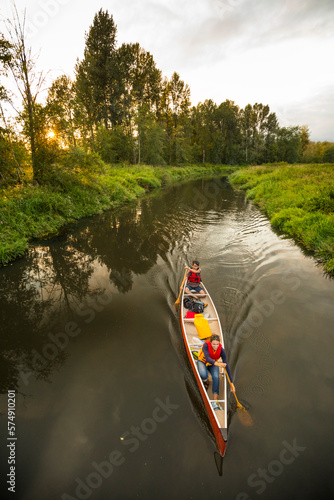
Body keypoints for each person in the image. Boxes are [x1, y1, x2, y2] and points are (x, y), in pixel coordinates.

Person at [197, 334, 235, 410]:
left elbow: (226, 366)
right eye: (214, 344)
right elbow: (207, 358)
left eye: (217, 344)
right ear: (210, 343)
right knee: (203, 374)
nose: (215, 346)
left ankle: (214, 402)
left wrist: (232, 383)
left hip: (213, 364)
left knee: (216, 377)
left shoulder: (222, 350)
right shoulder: (206, 346)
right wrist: (218, 364)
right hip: (203, 362)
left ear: (219, 344)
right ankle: (206, 381)